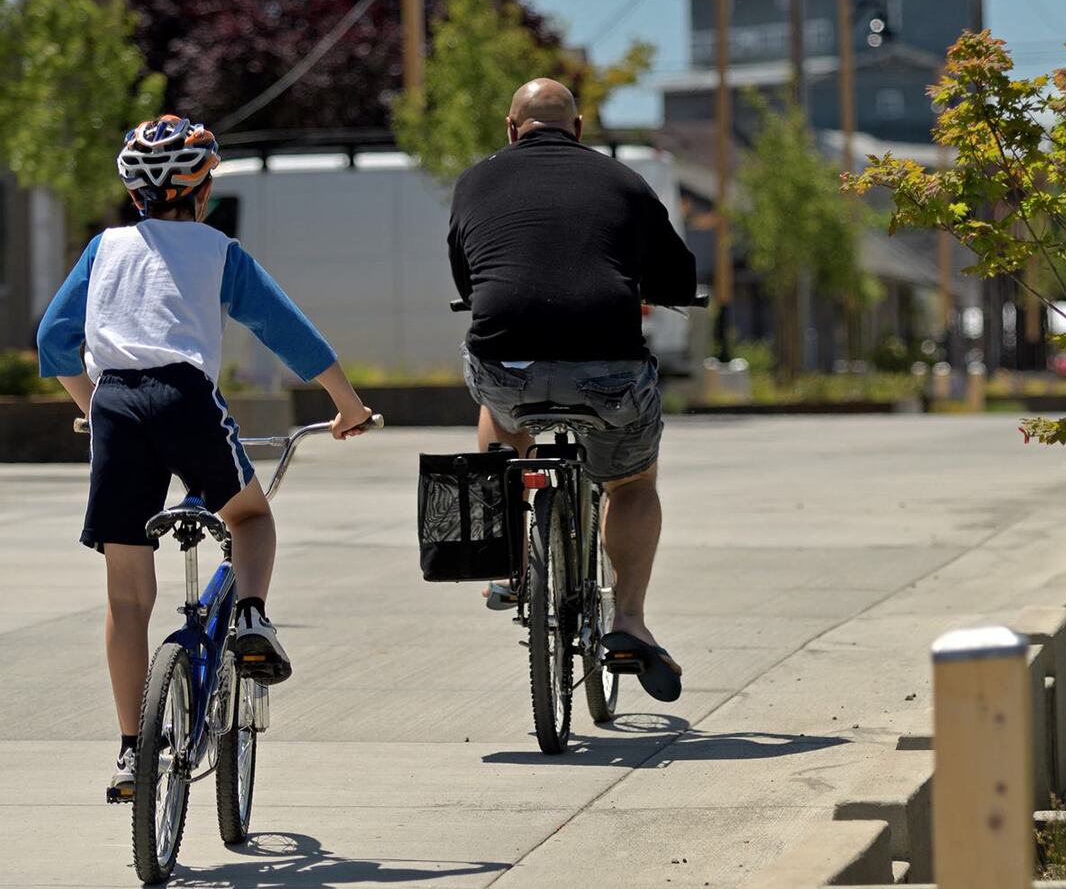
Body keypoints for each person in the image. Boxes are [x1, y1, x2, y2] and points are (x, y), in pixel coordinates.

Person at [35, 115, 375, 802]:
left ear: (135, 194)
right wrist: (347, 405)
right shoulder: (219, 250)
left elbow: (53, 341)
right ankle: (250, 614)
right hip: (185, 396)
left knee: (127, 594)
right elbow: (287, 331)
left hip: (117, 406)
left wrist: (92, 407)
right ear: (203, 189)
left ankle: (134, 751)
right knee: (249, 515)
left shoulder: (101, 250)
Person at [448, 78, 696, 703]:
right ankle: (629, 623)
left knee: (498, 408)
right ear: (580, 128)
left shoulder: (476, 181)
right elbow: (675, 272)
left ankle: (505, 557)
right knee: (633, 482)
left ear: (511, 128)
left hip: (508, 364)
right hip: (607, 368)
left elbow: (468, 274)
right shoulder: (623, 181)